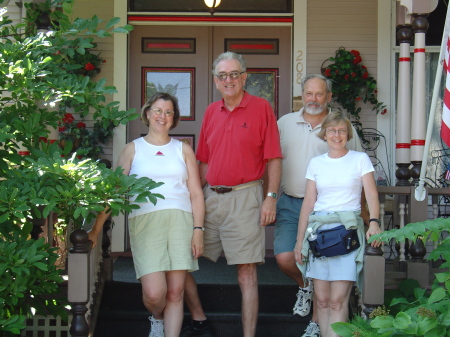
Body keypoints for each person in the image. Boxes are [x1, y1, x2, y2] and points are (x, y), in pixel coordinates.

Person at [180, 51, 282, 337]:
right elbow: (203, 161)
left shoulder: (261, 108)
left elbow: (274, 157)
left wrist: (271, 197)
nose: (229, 80)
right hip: (211, 197)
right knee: (181, 258)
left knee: (246, 271)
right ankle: (199, 318)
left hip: (245, 196)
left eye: (234, 74)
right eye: (223, 75)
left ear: (244, 76)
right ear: (215, 81)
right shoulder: (212, 112)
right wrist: (192, 199)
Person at [88, 92, 205, 337]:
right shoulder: (132, 150)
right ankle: (157, 316)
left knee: (176, 291)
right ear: (148, 113)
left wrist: (198, 230)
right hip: (145, 223)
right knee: (154, 293)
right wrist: (96, 229)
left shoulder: (183, 150)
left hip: (180, 221)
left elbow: (195, 194)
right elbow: (115, 192)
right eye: (158, 110)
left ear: (174, 119)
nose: (163, 116)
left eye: (169, 112)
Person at [275, 74, 365, 337]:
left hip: (328, 211)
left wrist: (367, 216)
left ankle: (316, 322)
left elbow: (358, 167)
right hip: (292, 202)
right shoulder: (285, 123)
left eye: (319, 94)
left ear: (329, 96)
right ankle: (306, 287)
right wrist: (269, 196)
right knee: (284, 257)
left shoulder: (338, 125)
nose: (313, 99)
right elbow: (272, 160)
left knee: (321, 265)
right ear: (302, 95)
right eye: (308, 93)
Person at [294, 111, 381, 337]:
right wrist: (299, 242)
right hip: (319, 236)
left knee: (336, 300)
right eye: (332, 130)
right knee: (321, 300)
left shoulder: (359, 159)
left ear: (348, 134)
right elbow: (308, 205)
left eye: (342, 130)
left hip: (346, 234)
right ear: (324, 135)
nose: (336, 135)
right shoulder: (316, 163)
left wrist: (374, 222)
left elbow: (371, 195)